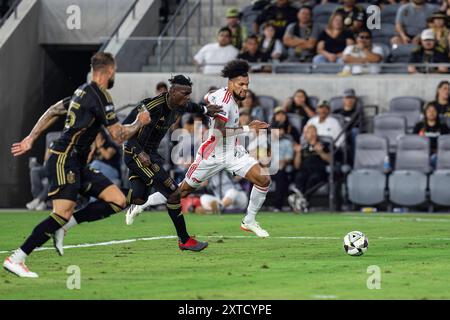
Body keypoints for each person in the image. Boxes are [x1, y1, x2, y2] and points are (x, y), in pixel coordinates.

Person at [4, 52, 151, 278]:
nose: (115, 74)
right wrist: (138, 123)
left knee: (118, 200)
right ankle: (17, 258)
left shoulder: (81, 91)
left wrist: (31, 138)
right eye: (116, 70)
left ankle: (65, 226)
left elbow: (53, 110)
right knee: (60, 212)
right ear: (110, 70)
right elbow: (119, 136)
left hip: (77, 161)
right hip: (64, 158)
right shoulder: (100, 96)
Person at [53, 75, 222, 254]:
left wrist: (205, 109)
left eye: (189, 93)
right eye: (184, 93)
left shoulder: (180, 104)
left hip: (150, 156)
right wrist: (139, 151)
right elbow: (122, 131)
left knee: (137, 198)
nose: (187, 96)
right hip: (136, 154)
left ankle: (71, 220)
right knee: (174, 193)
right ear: (172, 92)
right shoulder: (151, 107)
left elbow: (193, 106)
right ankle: (184, 240)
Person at [127, 60, 272, 238]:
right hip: (211, 155)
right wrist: (250, 128)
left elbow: (208, 96)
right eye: (241, 84)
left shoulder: (223, 95)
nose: (245, 88)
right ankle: (142, 204)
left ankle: (249, 221)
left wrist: (210, 98)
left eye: (247, 84)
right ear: (230, 83)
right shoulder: (225, 102)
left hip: (233, 152)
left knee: (263, 179)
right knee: (181, 192)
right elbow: (218, 132)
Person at [289, 125, 331, 212]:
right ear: (305, 135)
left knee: (312, 179)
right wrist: (298, 153)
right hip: (305, 171)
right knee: (299, 176)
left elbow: (331, 160)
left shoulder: (324, 145)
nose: (311, 134)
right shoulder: (303, 148)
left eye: (313, 132)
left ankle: (301, 200)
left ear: (316, 134)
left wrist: (321, 152)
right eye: (308, 132)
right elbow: (297, 166)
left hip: (319, 171)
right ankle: (301, 201)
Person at [413, 102, 450, 167]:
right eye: (429, 111)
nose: (431, 113)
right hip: (422, 153)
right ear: (425, 113)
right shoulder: (418, 126)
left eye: (434, 111)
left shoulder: (444, 127)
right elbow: (413, 142)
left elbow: (447, 143)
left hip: (439, 154)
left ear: (437, 113)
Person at [270, 121, 295, 211]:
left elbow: (289, 158)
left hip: (281, 168)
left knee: (280, 176)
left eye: (282, 130)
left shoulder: (287, 142)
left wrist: (283, 161)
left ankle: (277, 206)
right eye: (278, 130)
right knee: (254, 176)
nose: (281, 132)